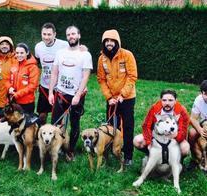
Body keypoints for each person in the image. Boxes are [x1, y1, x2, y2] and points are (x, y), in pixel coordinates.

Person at [48, 25, 93, 161]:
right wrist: (50, 92)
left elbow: (86, 76)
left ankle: (70, 150)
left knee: (74, 124)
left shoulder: (85, 54)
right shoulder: (60, 53)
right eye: (68, 35)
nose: (71, 37)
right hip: (60, 94)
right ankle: (55, 148)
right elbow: (55, 73)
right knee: (55, 124)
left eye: (73, 34)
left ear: (79, 35)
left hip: (76, 96)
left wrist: (78, 95)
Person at [97, 29, 137, 166]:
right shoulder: (101, 58)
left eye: (111, 41)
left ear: (117, 42)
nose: (109, 43)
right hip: (112, 99)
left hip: (127, 98)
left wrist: (123, 95)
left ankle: (128, 155)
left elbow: (132, 77)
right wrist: (109, 97)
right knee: (111, 127)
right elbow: (101, 79)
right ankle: (111, 151)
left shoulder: (127, 55)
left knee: (127, 126)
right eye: (106, 41)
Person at [133, 90, 190, 159]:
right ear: (161, 100)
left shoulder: (181, 110)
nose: (167, 103)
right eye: (164, 100)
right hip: (156, 136)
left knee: (185, 148)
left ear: (175, 101)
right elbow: (146, 126)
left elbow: (183, 132)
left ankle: (176, 161)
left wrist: (171, 142)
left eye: (170, 100)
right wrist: (149, 143)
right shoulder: (155, 108)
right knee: (138, 140)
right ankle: (150, 154)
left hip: (174, 137)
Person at [35, 22, 68, 125]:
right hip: (44, 85)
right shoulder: (38, 47)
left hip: (59, 86)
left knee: (59, 116)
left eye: (49, 34)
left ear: (55, 34)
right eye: (44, 34)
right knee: (42, 115)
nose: (46, 37)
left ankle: (59, 137)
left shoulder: (64, 45)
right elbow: (36, 64)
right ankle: (41, 135)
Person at [8, 43, 40, 114]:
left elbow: (33, 86)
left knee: (25, 124)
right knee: (14, 123)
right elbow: (8, 79)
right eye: (17, 53)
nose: (19, 55)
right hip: (14, 100)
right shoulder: (14, 63)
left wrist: (18, 94)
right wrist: (9, 87)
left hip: (26, 102)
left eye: (22, 53)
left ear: (27, 52)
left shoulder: (33, 67)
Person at [0, 36, 17, 116]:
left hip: (14, 94)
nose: (4, 46)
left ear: (11, 46)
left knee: (14, 120)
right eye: (2, 44)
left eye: (7, 44)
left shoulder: (16, 57)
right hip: (0, 95)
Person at [187, 80, 207, 170]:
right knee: (191, 133)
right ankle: (195, 159)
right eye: (206, 94)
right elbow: (193, 118)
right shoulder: (199, 100)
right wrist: (200, 129)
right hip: (204, 124)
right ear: (201, 93)